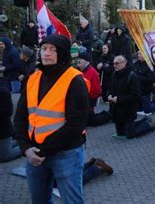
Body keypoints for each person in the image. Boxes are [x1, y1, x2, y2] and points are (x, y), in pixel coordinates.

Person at [14, 34, 90, 203]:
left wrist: (43, 150)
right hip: (34, 153)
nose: (46, 53)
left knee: (72, 200)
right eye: (44, 48)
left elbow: (76, 125)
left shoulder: (74, 80)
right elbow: (20, 117)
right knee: (39, 200)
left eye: (53, 50)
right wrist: (26, 147)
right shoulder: (33, 78)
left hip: (66, 153)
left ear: (62, 53)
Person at [108, 55, 155, 139]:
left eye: (117, 63)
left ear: (124, 63)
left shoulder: (132, 76)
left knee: (130, 134)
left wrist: (119, 99)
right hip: (117, 111)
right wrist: (108, 95)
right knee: (120, 133)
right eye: (114, 64)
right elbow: (109, 89)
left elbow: (136, 96)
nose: (115, 65)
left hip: (128, 110)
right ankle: (141, 122)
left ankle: (147, 124)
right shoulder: (114, 75)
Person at [77, 52, 110, 127]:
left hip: (88, 100)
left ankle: (108, 115)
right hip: (80, 100)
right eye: (78, 59)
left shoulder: (93, 72)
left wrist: (89, 101)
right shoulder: (78, 70)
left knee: (92, 122)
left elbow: (96, 90)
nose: (78, 61)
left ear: (87, 61)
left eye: (81, 59)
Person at [133, 51, 155, 115]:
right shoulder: (135, 64)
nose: (138, 55)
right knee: (138, 110)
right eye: (138, 53)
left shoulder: (150, 65)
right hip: (137, 90)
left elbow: (152, 78)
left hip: (145, 90)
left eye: (140, 54)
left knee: (147, 111)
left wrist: (139, 78)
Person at [0, 86, 21, 162]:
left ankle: (27, 147)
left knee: (4, 157)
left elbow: (9, 111)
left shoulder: (3, 92)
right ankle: (20, 141)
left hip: (3, 130)